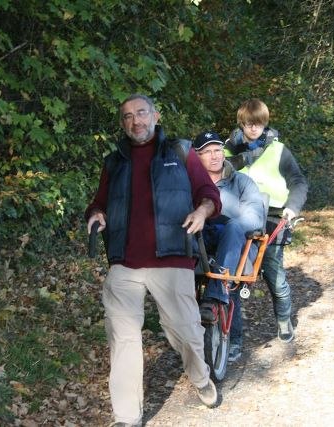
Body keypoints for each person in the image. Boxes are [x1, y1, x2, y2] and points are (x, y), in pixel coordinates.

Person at [84, 94, 222, 425]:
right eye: (128, 116)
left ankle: (201, 377)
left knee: (185, 333)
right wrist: (96, 214)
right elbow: (98, 202)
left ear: (155, 115)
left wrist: (202, 211)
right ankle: (127, 416)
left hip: (173, 259)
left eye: (142, 113)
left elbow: (210, 195)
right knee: (123, 338)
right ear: (123, 123)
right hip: (124, 264)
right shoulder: (114, 161)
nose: (136, 121)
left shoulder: (181, 152)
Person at [224, 98, 308, 342]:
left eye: (258, 124)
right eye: (249, 124)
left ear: (265, 124)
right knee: (232, 281)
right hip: (237, 218)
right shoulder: (227, 150)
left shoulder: (279, 150)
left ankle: (284, 320)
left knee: (275, 276)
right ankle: (234, 339)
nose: (253, 128)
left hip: (272, 217)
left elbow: (298, 181)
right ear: (241, 124)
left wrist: (292, 207)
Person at [193, 130, 265, 362]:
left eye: (218, 150)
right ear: (197, 156)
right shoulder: (191, 184)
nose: (214, 156)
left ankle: (232, 338)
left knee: (233, 230)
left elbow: (255, 216)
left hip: (237, 245)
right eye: (207, 152)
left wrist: (230, 222)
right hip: (202, 240)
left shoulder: (241, 181)